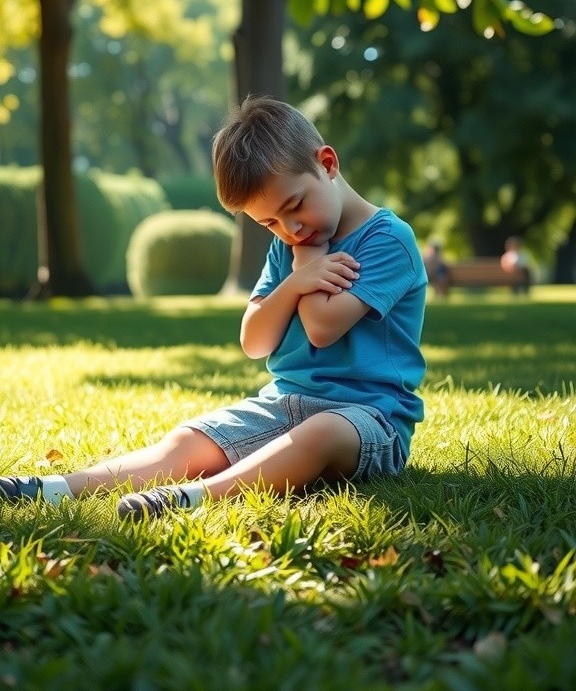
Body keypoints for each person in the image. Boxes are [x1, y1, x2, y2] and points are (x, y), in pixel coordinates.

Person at [0, 97, 428, 520]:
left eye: (294, 206)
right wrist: (297, 280)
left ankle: (193, 497)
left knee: (321, 433)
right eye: (269, 224)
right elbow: (255, 340)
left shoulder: (387, 239)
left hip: (370, 421)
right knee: (188, 443)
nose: (290, 229)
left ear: (327, 164)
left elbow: (322, 328)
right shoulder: (292, 249)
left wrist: (307, 268)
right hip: (286, 402)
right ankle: (52, 488)